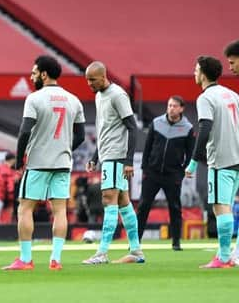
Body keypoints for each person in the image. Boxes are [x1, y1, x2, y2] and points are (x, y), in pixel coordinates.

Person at [3, 55, 85, 271]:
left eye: (34, 72)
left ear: (44, 74)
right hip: (62, 163)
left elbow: (24, 131)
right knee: (59, 211)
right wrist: (64, 150)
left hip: (38, 162)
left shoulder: (34, 99)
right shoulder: (73, 100)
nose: (31, 76)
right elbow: (81, 136)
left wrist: (20, 157)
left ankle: (26, 259)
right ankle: (55, 260)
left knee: (25, 208)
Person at [82, 61, 144, 264]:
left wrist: (128, 161)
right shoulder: (100, 96)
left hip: (117, 156)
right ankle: (136, 251)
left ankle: (102, 253)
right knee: (123, 202)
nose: (89, 84)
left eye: (92, 79)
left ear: (103, 76)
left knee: (109, 199)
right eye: (87, 80)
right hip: (108, 155)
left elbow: (132, 127)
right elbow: (105, 131)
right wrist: (95, 157)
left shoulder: (117, 95)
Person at [185, 56, 239, 268]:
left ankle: (224, 257)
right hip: (236, 159)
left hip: (220, 160)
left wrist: (193, 162)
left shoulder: (205, 98)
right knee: (229, 204)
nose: (194, 73)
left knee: (220, 206)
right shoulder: (233, 94)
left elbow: (205, 128)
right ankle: (227, 256)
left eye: (196, 69)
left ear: (204, 74)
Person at [136, 96, 195, 251]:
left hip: (173, 175)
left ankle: (176, 242)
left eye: (175, 106)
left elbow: (190, 153)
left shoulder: (188, 128)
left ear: (182, 108)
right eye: (169, 105)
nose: (171, 108)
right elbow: (147, 147)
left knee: (175, 208)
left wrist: (182, 172)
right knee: (143, 207)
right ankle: (135, 242)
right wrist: (145, 169)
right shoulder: (156, 123)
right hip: (152, 173)